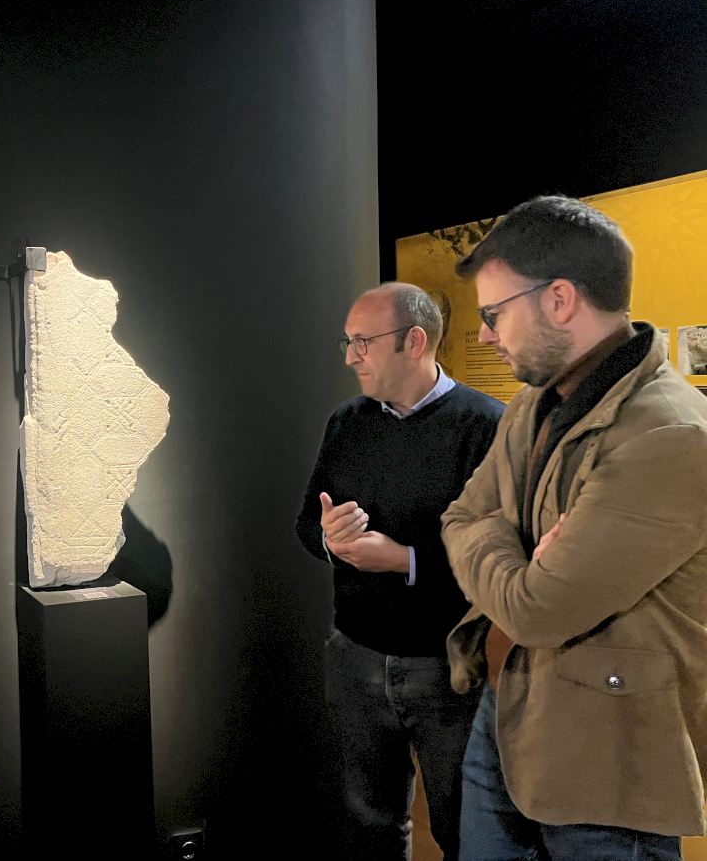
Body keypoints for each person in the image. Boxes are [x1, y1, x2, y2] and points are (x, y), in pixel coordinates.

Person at [442, 195, 707, 860]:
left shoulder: (670, 433)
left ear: (559, 300)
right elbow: (460, 514)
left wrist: (497, 539)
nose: (484, 336)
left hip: (607, 762)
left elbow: (537, 610)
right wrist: (516, 550)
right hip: (505, 712)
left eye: (494, 314)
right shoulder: (531, 403)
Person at [297, 282, 503, 859]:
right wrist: (331, 539)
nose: (350, 357)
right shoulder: (347, 421)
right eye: (348, 341)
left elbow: (500, 552)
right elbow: (305, 523)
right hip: (355, 654)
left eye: (363, 341)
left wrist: (404, 559)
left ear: (414, 342)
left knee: (464, 828)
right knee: (371, 824)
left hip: (447, 666)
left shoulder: (486, 425)